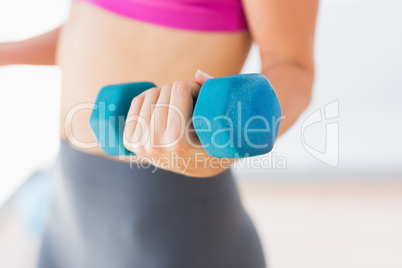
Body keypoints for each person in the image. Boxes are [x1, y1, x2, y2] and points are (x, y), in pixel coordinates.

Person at [0, 0, 318, 267]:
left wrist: (236, 134)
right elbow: (98, 25)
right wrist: (7, 53)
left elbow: (291, 65)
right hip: (68, 206)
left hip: (168, 217)